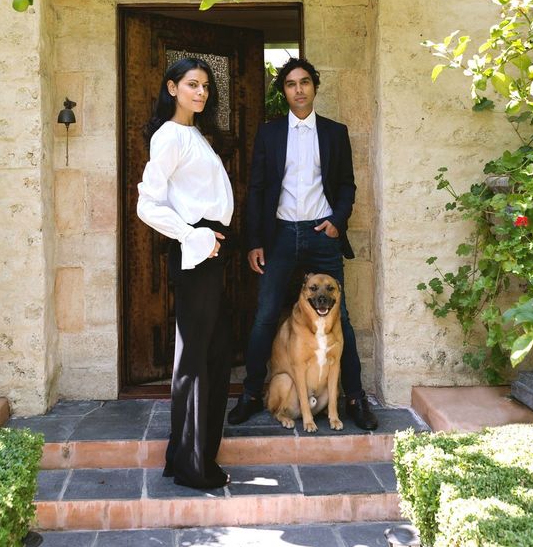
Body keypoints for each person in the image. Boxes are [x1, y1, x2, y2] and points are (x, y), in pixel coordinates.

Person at [228, 57, 378, 430]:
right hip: (279, 234)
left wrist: (337, 222)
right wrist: (255, 241)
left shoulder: (334, 133)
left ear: (314, 87)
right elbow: (258, 188)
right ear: (284, 92)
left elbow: (346, 185)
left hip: (320, 234)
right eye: (291, 84)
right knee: (264, 316)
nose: (299, 89)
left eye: (305, 82)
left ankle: (355, 398)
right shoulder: (270, 133)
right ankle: (249, 394)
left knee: (340, 316)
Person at [137, 57, 234, 490]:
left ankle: (188, 457)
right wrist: (193, 238)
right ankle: (192, 466)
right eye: (192, 84)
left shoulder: (193, 134)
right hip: (197, 253)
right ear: (172, 87)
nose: (201, 92)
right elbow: (148, 205)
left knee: (211, 354)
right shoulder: (169, 136)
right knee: (196, 359)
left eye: (206, 87)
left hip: (211, 252)